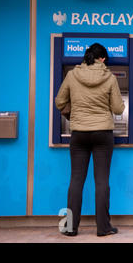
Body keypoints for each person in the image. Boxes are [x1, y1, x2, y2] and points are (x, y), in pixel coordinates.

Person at [55, 43, 125, 237]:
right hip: (103, 134)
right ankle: (103, 228)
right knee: (101, 181)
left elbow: (59, 102)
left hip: (79, 134)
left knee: (76, 179)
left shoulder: (71, 75)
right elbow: (119, 109)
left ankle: (70, 227)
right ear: (102, 59)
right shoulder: (110, 78)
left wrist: (74, 114)